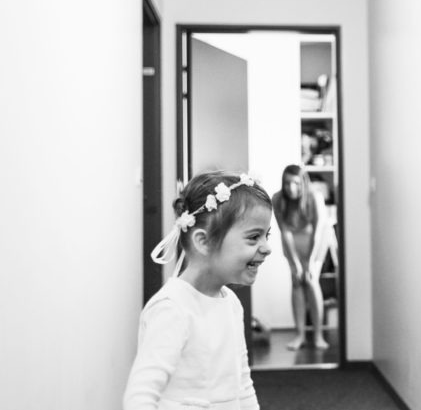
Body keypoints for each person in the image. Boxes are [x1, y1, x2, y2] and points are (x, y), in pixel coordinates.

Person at [123, 171, 273, 410]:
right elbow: (140, 396)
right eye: (254, 237)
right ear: (203, 241)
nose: (267, 248)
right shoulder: (172, 308)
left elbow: (243, 384)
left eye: (267, 235)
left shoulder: (231, 303)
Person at [272, 164, 331, 350]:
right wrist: (295, 263)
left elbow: (318, 231)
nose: (291, 188)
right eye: (287, 183)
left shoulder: (315, 197)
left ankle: (318, 335)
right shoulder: (277, 199)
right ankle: (300, 335)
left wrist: (311, 262)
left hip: (316, 240)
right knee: (297, 281)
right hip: (293, 243)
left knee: (311, 281)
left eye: (296, 183)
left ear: (303, 183)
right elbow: (285, 231)